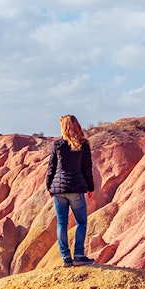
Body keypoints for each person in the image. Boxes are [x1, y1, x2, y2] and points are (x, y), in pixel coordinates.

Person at [45, 114, 95, 267]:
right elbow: (87, 168)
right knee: (81, 222)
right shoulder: (83, 144)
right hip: (75, 188)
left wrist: (49, 186)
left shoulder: (58, 145)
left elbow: (51, 168)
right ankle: (79, 255)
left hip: (58, 190)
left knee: (62, 223)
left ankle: (66, 258)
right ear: (77, 126)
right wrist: (90, 187)